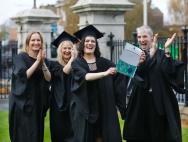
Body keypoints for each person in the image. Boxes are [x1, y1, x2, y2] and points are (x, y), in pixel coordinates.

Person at [123, 25, 184, 142]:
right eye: (139, 37)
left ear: (152, 38)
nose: (141, 40)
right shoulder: (131, 53)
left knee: (160, 133)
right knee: (139, 132)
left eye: (145, 36)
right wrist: (148, 57)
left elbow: (171, 72)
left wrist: (167, 49)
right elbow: (126, 77)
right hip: (139, 101)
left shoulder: (161, 53)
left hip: (160, 101)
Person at [70, 25, 128, 142]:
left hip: (104, 108)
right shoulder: (77, 63)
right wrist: (105, 73)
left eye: (93, 41)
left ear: (95, 44)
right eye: (87, 41)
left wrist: (136, 59)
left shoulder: (105, 62)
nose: (90, 43)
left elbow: (122, 73)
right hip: (86, 110)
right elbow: (85, 76)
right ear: (82, 44)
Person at [9, 32, 51, 142]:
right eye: (33, 40)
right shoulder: (20, 58)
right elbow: (24, 76)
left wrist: (42, 63)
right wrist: (37, 61)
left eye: (38, 40)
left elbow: (48, 78)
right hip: (22, 103)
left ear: (42, 43)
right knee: (24, 135)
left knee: (36, 134)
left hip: (37, 103)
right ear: (28, 42)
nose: (36, 43)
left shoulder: (44, 60)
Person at [49, 31, 79, 142]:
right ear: (59, 50)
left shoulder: (78, 66)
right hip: (58, 109)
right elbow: (64, 72)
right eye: (64, 48)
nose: (67, 51)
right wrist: (72, 58)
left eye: (70, 48)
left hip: (75, 107)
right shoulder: (53, 65)